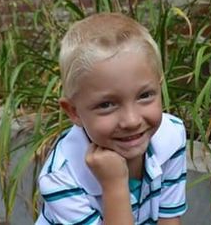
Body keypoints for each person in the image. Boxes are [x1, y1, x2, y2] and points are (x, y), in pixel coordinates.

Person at [35, 13, 187, 225]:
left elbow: (169, 219)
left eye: (145, 96)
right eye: (106, 105)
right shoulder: (62, 179)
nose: (132, 120)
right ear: (74, 112)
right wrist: (114, 186)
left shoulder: (171, 137)